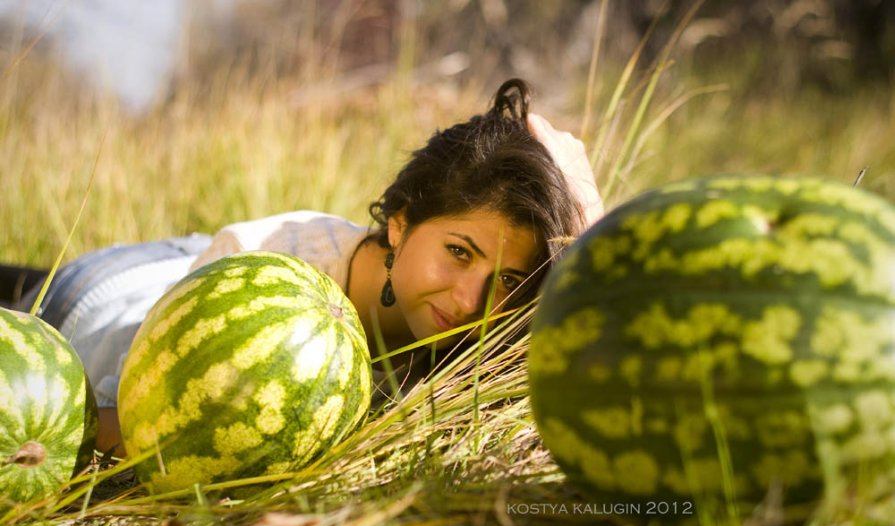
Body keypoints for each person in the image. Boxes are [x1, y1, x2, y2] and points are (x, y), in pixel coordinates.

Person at [9, 78, 603, 457]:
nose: (474, 300)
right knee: (28, 290)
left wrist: (588, 232)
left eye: (507, 278)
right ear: (400, 221)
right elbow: (122, 430)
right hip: (109, 298)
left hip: (194, 255)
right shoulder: (286, 261)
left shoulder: (492, 329)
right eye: (459, 252)